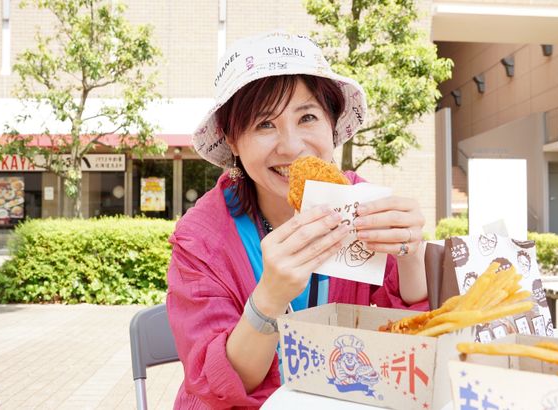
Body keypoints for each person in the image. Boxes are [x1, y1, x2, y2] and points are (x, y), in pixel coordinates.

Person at [167, 31, 429, 409]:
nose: (291, 146)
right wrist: (269, 298)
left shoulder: (363, 205)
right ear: (232, 141)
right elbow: (220, 386)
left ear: (331, 123)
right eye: (263, 125)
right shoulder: (201, 239)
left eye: (307, 117)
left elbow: (405, 340)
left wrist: (410, 256)